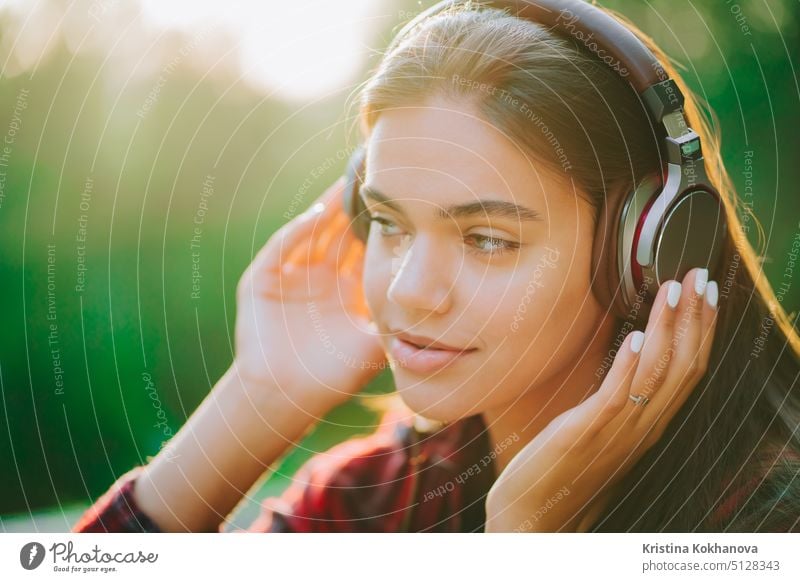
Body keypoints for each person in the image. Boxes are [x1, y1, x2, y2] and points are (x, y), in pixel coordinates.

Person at [72, 1, 800, 533]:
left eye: (487, 239)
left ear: (647, 249)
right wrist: (257, 398)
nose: (409, 291)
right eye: (388, 223)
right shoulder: (373, 502)